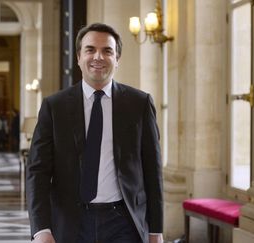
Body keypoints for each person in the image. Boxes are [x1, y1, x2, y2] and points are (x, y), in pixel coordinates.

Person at [26, 23, 163, 243]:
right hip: (71, 222)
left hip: (125, 223)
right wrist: (41, 228)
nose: (98, 57)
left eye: (107, 51)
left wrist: (156, 231)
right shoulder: (55, 106)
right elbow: (37, 172)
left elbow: (152, 172)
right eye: (90, 50)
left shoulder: (140, 104)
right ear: (79, 57)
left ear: (117, 59)